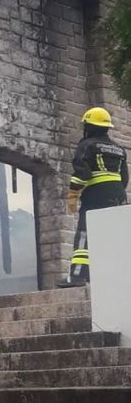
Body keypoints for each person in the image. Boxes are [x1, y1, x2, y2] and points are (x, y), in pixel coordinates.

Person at [58, 107, 128, 288]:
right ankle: (119, 273)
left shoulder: (87, 145)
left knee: (85, 233)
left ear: (89, 126)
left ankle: (78, 276)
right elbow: (125, 178)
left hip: (96, 194)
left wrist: (73, 194)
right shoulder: (119, 149)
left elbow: (82, 173)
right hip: (118, 193)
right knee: (114, 235)